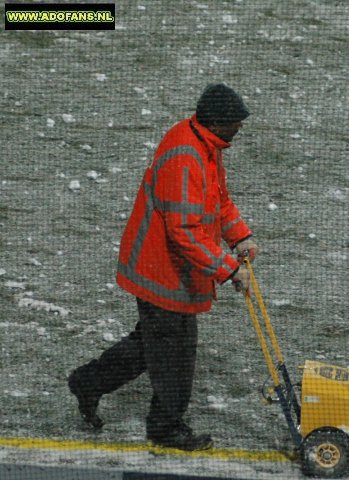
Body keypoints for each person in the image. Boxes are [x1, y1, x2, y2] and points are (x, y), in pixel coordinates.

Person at [68, 83, 258, 451]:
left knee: (151, 345)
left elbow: (218, 200)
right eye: (236, 123)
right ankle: (165, 428)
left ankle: (89, 382)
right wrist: (229, 270)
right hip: (164, 273)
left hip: (164, 269)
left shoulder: (204, 145)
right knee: (176, 354)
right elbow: (184, 233)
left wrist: (240, 236)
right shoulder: (186, 158)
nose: (240, 129)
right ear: (217, 123)